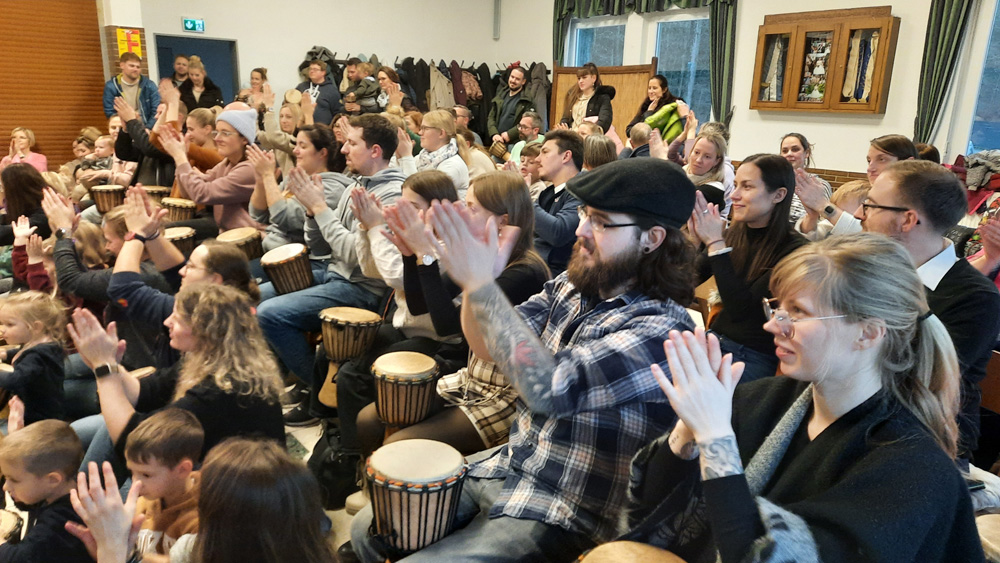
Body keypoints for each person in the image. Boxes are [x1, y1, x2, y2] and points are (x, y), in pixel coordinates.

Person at [348, 157, 700, 562]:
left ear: (652, 238)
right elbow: (484, 345)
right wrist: (474, 280)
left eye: (601, 222)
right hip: (513, 462)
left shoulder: (661, 331)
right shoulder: (573, 285)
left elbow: (548, 390)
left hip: (568, 506)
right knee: (367, 527)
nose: (582, 231)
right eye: (585, 215)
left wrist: (480, 282)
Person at [621, 233, 982, 563]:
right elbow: (653, 506)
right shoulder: (760, 399)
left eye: (798, 312)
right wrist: (690, 427)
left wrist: (716, 437)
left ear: (867, 333)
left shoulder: (913, 466)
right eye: (777, 307)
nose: (772, 325)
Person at [355, 171, 551, 455]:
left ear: (502, 221)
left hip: (504, 394)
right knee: (369, 420)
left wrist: (426, 252)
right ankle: (371, 489)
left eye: (470, 208)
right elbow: (418, 305)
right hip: (471, 379)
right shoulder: (482, 254)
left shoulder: (524, 272)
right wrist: (412, 255)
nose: (460, 214)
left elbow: (448, 327)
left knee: (396, 446)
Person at [856, 159, 1000, 459]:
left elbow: (916, 383)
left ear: (907, 220)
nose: (860, 215)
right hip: (863, 418)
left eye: (870, 205)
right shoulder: (875, 271)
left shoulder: (974, 296)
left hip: (925, 442)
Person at [256, 114, 404, 388]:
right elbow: (320, 245)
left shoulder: (391, 195)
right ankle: (282, 377)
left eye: (351, 143)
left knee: (270, 314)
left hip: (363, 288)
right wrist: (313, 213)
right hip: (335, 273)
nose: (343, 149)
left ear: (375, 151)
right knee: (253, 297)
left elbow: (357, 259)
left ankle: (316, 392)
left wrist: (322, 209)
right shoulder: (358, 185)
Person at [69, 283, 285, 469]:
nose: (167, 322)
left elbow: (135, 443)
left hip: (239, 494)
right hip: (217, 474)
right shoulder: (204, 360)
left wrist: (104, 369)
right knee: (89, 432)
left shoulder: (221, 390)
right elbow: (144, 393)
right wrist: (111, 365)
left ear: (204, 331)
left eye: (178, 319)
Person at [69, 438, 336, 563]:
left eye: (201, 485)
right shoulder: (196, 547)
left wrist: (112, 554)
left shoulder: (199, 544)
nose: (192, 480)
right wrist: (126, 553)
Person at [688, 153, 807, 383]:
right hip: (714, 341)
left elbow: (741, 311)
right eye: (735, 186)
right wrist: (695, 243)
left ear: (779, 195)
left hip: (753, 356)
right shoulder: (736, 234)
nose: (734, 195)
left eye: (747, 187)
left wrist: (715, 244)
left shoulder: (795, 251)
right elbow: (686, 282)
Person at [248, 124, 352, 258]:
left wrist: (268, 175)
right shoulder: (294, 178)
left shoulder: (331, 187)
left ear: (322, 153)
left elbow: (282, 216)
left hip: (298, 261)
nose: (295, 151)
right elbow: (258, 214)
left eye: (302, 146)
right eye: (296, 145)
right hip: (270, 250)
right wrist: (261, 181)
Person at [160, 106, 263, 233]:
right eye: (216, 132)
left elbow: (203, 193)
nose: (217, 138)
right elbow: (189, 192)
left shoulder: (250, 169)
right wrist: (181, 157)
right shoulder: (227, 163)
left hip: (247, 240)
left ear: (244, 139)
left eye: (225, 133)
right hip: (226, 233)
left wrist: (180, 157)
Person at [0, 420, 91, 562]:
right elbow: (27, 503)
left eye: (14, 480)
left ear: (53, 480)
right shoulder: (59, 491)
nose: (5, 487)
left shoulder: (64, 521)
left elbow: (18, 560)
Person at [794, 134, 917, 237]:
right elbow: (821, 234)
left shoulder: (916, 203)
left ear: (907, 163)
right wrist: (812, 217)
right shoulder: (862, 192)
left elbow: (872, 238)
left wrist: (822, 205)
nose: (870, 168)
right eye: (869, 161)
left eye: (882, 159)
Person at [125, 408, 202, 558]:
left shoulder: (200, 520)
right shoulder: (141, 504)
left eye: (146, 474)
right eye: (132, 473)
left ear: (182, 470)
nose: (136, 484)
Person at [0, 291, 66, 425]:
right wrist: (6, 354)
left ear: (36, 327)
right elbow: (23, 351)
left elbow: (15, 380)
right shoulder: (42, 344)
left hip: (38, 419)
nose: (2, 329)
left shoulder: (38, 355)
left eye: (10, 324)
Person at [533, 129, 583, 275]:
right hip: (535, 265)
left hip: (556, 275)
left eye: (545, 152)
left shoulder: (581, 190)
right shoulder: (548, 194)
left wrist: (524, 198)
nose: (537, 159)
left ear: (566, 156)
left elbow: (558, 233)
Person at [398, 109, 471, 196]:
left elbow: (421, 195)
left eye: (425, 128)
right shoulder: (421, 157)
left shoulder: (452, 165)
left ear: (441, 133)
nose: (420, 132)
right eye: (421, 128)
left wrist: (406, 156)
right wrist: (399, 156)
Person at [780, 133, 833, 223]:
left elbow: (826, 220)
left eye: (795, 149)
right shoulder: (773, 182)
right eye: (785, 151)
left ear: (807, 153)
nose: (789, 154)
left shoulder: (819, 184)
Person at [103, 52, 160, 128]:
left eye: (138, 67)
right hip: (122, 128)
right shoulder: (111, 86)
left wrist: (147, 129)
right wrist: (123, 127)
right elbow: (110, 112)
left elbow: (156, 111)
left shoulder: (149, 85)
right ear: (122, 65)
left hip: (145, 128)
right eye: (132, 66)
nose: (135, 69)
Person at [0, 163, 51, 244]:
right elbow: (5, 220)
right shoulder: (31, 209)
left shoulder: (44, 216)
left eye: (2, 188)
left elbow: (5, 233)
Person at [559, 62, 615, 133]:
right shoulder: (573, 96)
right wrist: (563, 127)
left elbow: (604, 121)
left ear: (593, 78)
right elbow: (566, 118)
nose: (580, 81)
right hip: (571, 136)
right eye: (579, 79)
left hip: (589, 138)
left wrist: (591, 133)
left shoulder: (602, 97)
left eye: (584, 78)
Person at [487, 67, 533, 148]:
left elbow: (528, 123)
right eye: (512, 77)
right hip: (497, 143)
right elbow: (491, 117)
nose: (513, 81)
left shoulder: (527, 101)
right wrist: (494, 134)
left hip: (515, 144)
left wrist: (510, 134)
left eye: (517, 79)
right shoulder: (500, 95)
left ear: (523, 81)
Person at [297, 59, 343, 126]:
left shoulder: (331, 90)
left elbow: (337, 113)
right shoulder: (301, 87)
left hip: (322, 130)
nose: (312, 71)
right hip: (302, 127)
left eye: (315, 69)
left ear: (323, 72)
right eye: (310, 69)